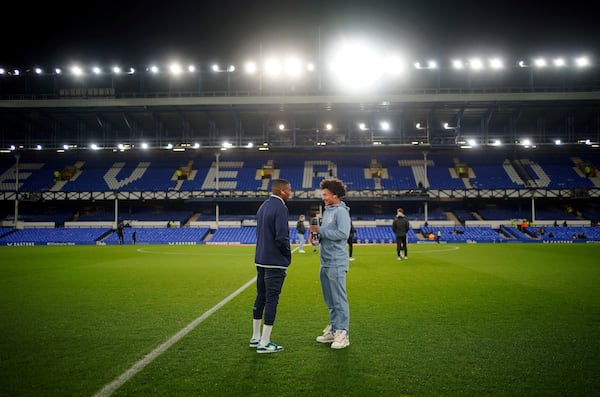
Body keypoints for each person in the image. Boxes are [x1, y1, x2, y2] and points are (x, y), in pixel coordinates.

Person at [250, 179, 292, 354]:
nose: (291, 193)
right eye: (289, 190)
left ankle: (255, 337)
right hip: (274, 261)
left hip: (260, 259)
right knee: (271, 300)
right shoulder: (280, 208)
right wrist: (287, 255)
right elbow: (281, 237)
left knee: (261, 297)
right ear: (282, 191)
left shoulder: (263, 206)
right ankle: (265, 342)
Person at [315, 178, 352, 350]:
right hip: (325, 260)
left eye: (326, 195)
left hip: (336, 261)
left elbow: (343, 233)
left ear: (335, 195)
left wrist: (321, 231)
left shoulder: (341, 212)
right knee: (330, 299)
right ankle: (334, 328)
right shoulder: (327, 210)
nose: (323, 197)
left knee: (339, 299)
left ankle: (343, 333)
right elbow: (328, 233)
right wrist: (317, 237)